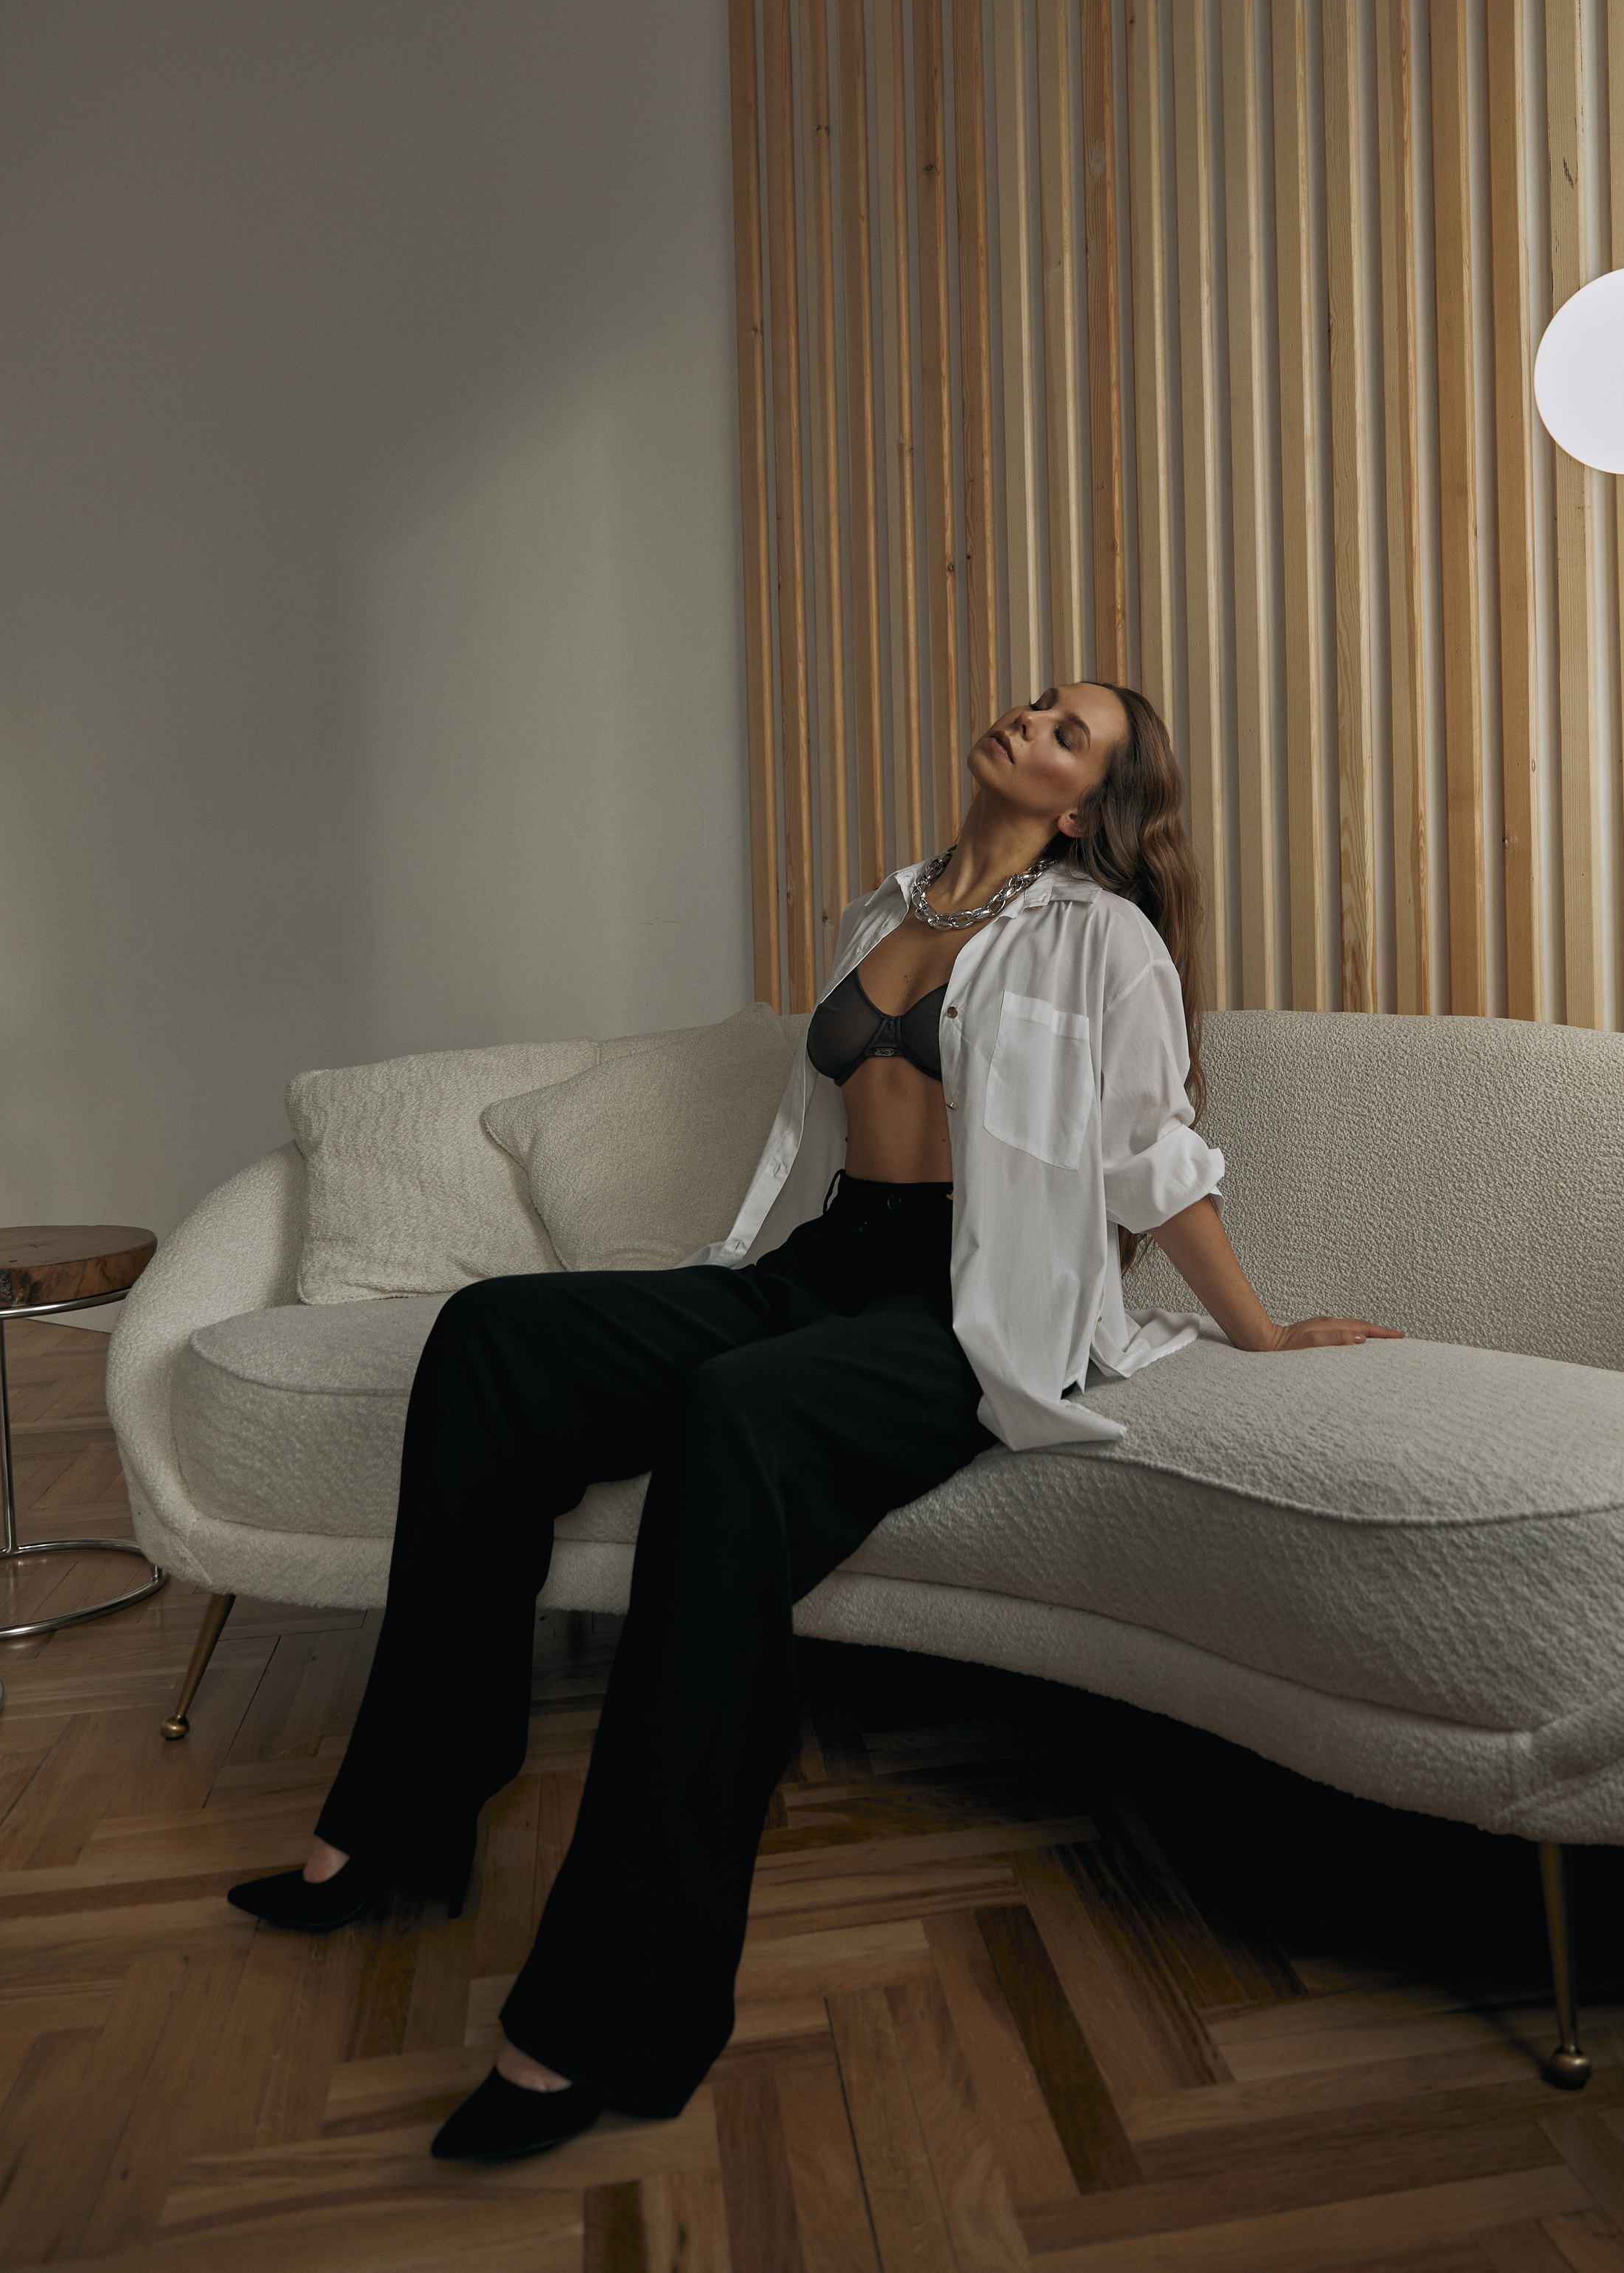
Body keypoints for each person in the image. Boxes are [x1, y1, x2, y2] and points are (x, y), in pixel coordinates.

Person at [227, 682, 1400, 2163]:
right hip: (817, 1270)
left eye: (1067, 736)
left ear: (1086, 812)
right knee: (491, 1340)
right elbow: (822, 1138)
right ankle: (398, 1822)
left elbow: (1146, 1157)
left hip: (972, 1312)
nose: (1027, 724)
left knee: (731, 1422)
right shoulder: (876, 911)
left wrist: (1261, 1331)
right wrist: (758, 1279)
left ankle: (608, 2012)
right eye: (1037, 704)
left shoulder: (1102, 938)